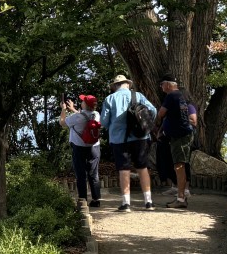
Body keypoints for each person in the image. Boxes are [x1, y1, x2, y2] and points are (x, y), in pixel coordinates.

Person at [100, 74, 156, 211]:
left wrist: (115, 125)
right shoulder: (138, 96)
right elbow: (153, 111)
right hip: (140, 137)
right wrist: (144, 125)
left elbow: (104, 122)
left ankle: (126, 204)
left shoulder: (110, 99)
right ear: (128, 84)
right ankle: (148, 202)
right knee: (142, 168)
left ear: (115, 86)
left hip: (119, 139)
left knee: (124, 169)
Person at [154, 75, 198, 208]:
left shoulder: (171, 96)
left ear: (168, 84)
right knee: (179, 165)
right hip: (180, 135)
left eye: (161, 85)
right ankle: (181, 197)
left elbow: (161, 114)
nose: (161, 88)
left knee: (179, 166)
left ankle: (181, 199)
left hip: (180, 136)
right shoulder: (179, 96)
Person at [60, 94, 102, 207]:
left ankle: (83, 200)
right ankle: (96, 199)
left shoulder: (76, 118)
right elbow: (85, 116)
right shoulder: (96, 115)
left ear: (85, 105)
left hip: (79, 147)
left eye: (83, 101)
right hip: (94, 147)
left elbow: (63, 123)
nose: (81, 102)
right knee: (93, 173)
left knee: (81, 174)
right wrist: (73, 109)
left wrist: (64, 110)